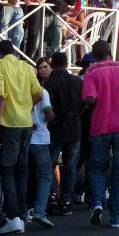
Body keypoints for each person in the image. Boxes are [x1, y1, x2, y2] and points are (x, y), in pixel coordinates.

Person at [82, 39, 119, 228]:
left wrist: (92, 108)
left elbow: (90, 99)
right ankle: (115, 215)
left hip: (101, 126)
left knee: (98, 167)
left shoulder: (92, 71)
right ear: (110, 52)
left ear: (94, 54)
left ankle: (98, 202)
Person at [0, 39, 43, 235]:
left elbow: (0, 95)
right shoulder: (27, 67)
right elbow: (38, 93)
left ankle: (12, 217)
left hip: (8, 124)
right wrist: (26, 107)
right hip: (26, 124)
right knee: (21, 170)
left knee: (7, 170)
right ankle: (21, 214)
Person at [44, 52, 82, 216]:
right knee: (70, 166)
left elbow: (48, 107)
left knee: (50, 164)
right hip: (74, 127)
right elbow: (84, 103)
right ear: (66, 64)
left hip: (56, 128)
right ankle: (67, 199)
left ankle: (52, 196)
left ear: (52, 64)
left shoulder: (49, 83)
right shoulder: (76, 81)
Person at [26, 59, 54, 229]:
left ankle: (22, 212)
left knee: (24, 175)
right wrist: (50, 118)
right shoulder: (42, 91)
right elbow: (48, 114)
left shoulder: (19, 91)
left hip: (23, 136)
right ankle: (39, 211)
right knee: (44, 176)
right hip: (40, 138)